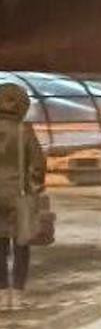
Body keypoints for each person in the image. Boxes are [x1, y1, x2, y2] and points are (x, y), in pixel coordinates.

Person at [0, 83, 46, 310]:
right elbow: (38, 165)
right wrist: (34, 189)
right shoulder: (24, 131)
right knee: (21, 245)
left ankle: (1, 296)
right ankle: (17, 296)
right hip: (19, 195)